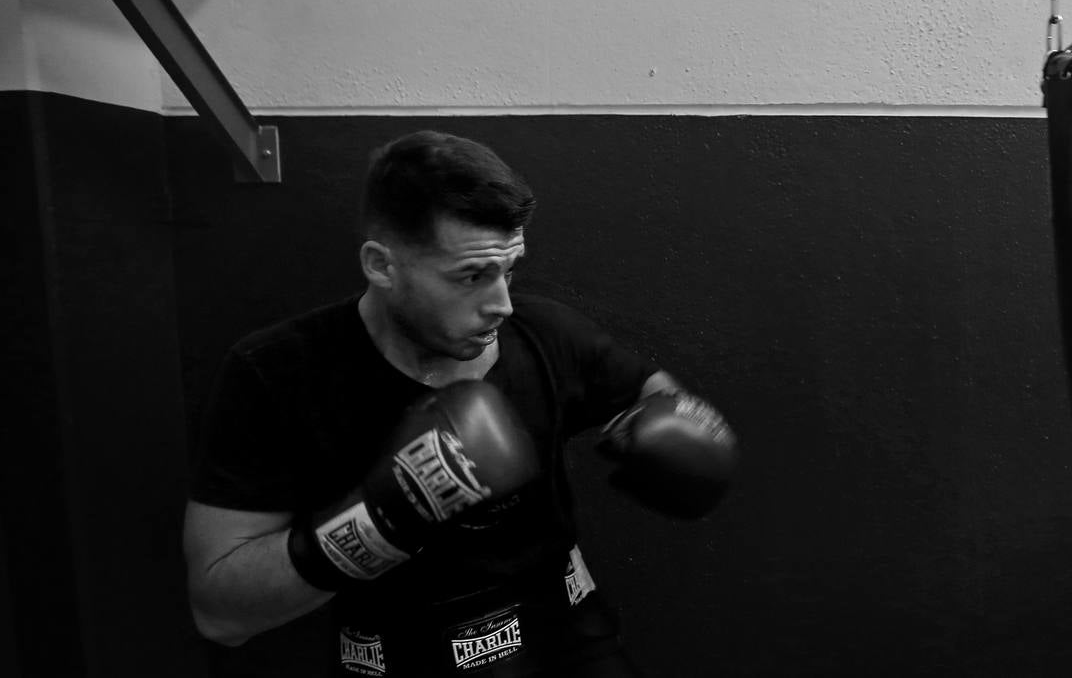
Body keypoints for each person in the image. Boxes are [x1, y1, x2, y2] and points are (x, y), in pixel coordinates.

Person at [183, 130, 738, 677]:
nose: (500, 303)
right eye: (471, 275)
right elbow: (219, 613)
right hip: (398, 655)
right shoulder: (278, 373)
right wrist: (382, 522)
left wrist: (659, 432)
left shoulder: (546, 333)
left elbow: (659, 395)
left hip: (569, 635)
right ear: (382, 265)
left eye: (509, 269)